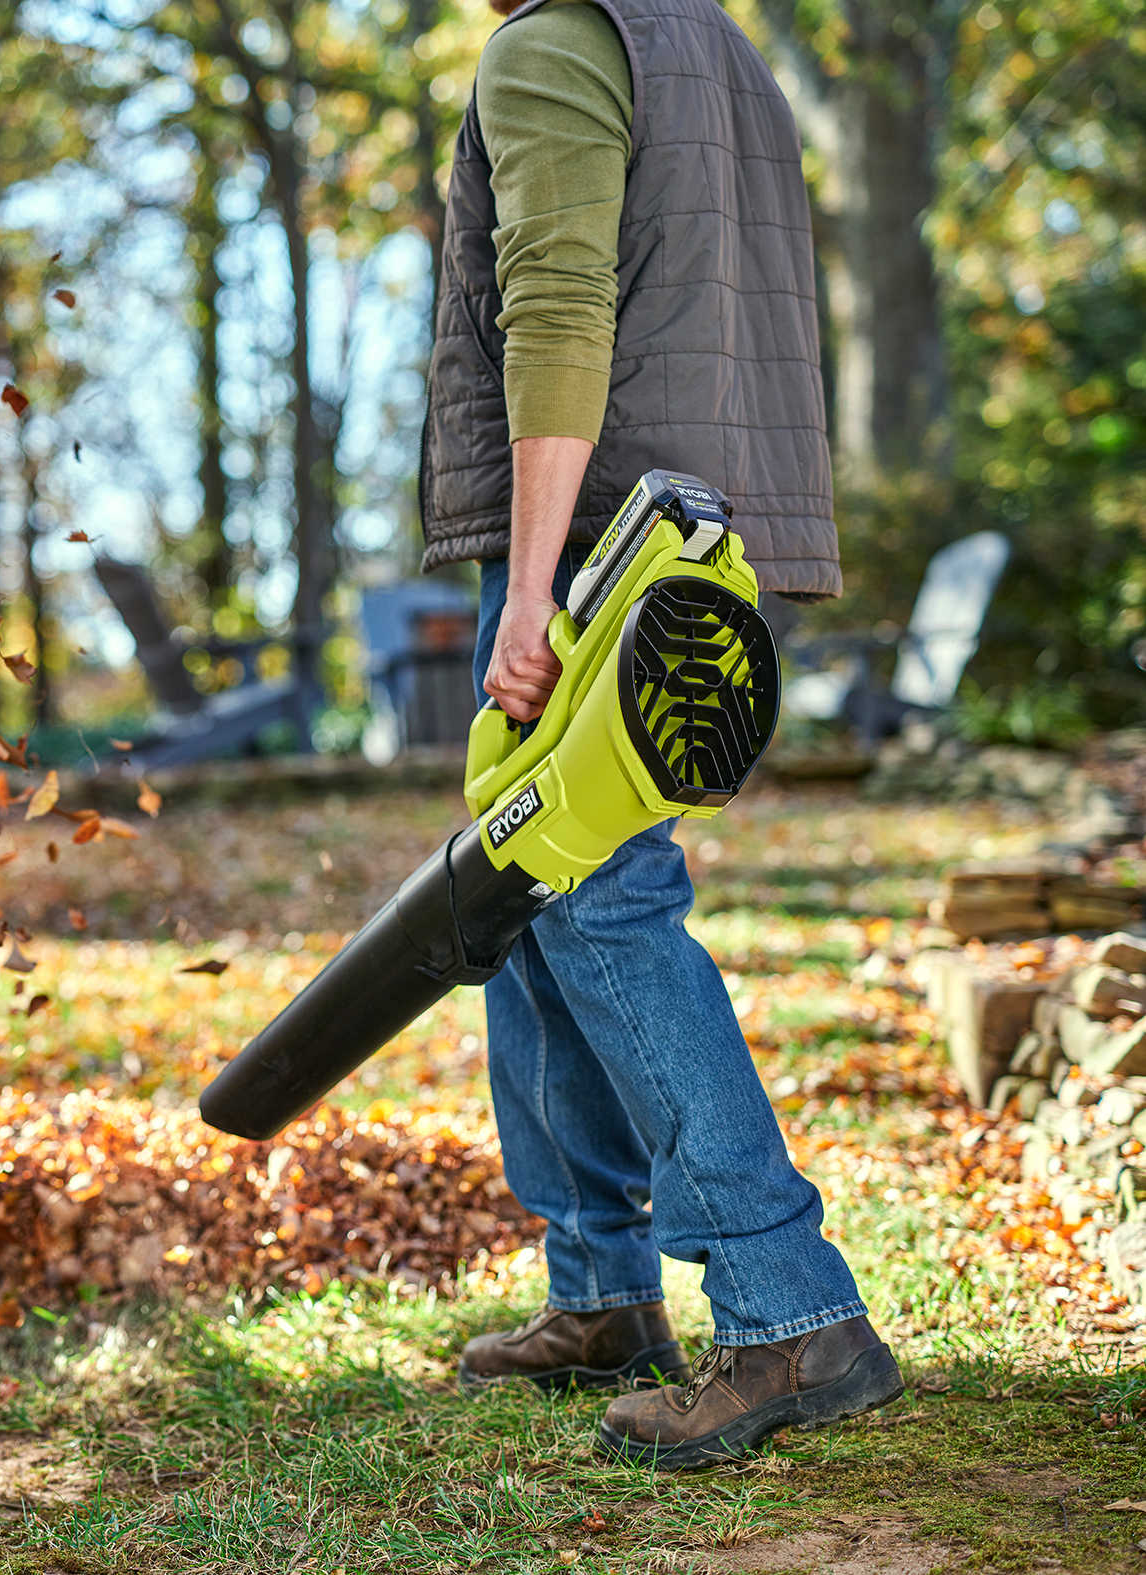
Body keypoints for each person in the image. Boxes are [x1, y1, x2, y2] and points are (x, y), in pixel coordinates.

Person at [417, 0, 903, 1468]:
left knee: (594, 896)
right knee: (521, 899)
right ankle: (602, 1291)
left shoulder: (553, 42)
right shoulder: (714, 44)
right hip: (679, 525)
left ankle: (786, 1305)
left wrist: (531, 589)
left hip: (597, 541)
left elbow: (561, 310)